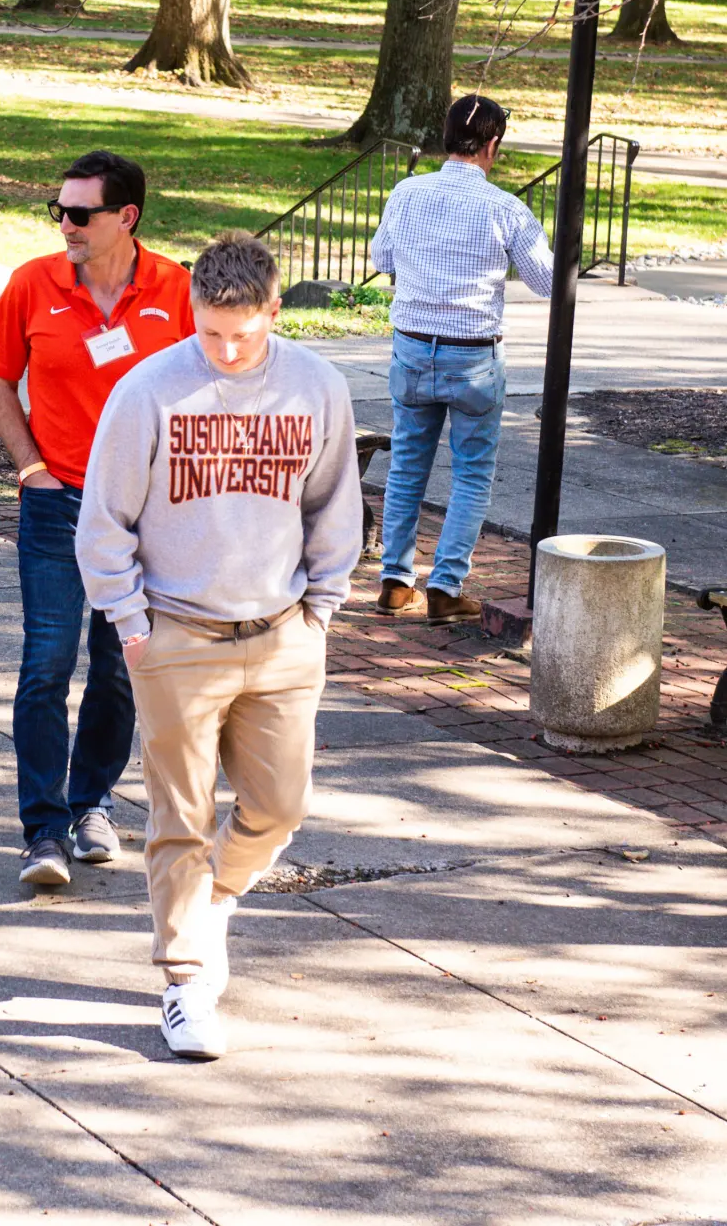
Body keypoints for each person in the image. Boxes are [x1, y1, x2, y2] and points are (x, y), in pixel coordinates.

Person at [77, 231, 362, 1062]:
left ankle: (216, 901)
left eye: (244, 332)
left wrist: (323, 612)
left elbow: (334, 507)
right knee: (181, 815)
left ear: (275, 309)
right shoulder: (148, 391)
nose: (226, 350)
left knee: (279, 806)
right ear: (191, 312)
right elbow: (104, 523)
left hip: (282, 634)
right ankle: (184, 980)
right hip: (176, 632)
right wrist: (131, 624)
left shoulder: (317, 386)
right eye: (209, 332)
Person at [0, 150, 194, 889]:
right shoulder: (32, 284)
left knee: (120, 667)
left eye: (78, 213)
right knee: (46, 664)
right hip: (57, 501)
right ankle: (42, 828)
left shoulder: (177, 290)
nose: (63, 224)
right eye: (58, 210)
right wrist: (30, 467)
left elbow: (211, 384)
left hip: (145, 513)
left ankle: (91, 801)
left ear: (125, 217)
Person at [366, 94, 553, 626]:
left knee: (406, 467)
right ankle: (446, 585)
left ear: (446, 137)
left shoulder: (407, 193)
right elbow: (546, 282)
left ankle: (395, 581)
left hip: (412, 344)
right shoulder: (505, 208)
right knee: (471, 475)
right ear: (492, 146)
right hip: (472, 354)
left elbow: (381, 258)